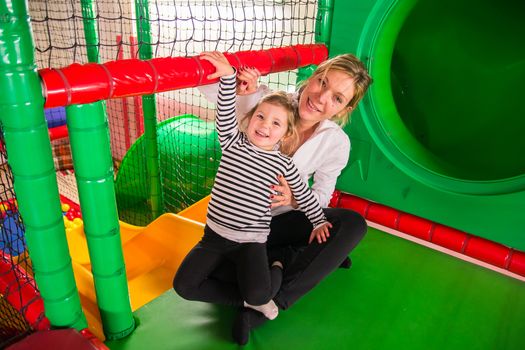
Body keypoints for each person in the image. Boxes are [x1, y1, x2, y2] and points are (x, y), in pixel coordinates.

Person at [198, 53, 373, 345]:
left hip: (284, 224)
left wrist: (294, 199)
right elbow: (209, 88)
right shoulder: (264, 101)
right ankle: (284, 260)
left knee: (351, 225)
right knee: (212, 272)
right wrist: (240, 91)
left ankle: (271, 303)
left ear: (346, 108)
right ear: (314, 74)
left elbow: (321, 198)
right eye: (323, 82)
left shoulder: (336, 143)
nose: (320, 98)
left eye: (337, 98)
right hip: (241, 226)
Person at [173, 51, 333, 322]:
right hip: (213, 238)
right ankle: (244, 300)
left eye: (276, 123)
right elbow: (224, 112)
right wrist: (227, 78)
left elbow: (304, 195)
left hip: (251, 243)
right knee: (184, 286)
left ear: (286, 133)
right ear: (249, 118)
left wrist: (318, 221)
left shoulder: (283, 164)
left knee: (261, 294)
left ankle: (277, 263)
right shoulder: (232, 143)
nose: (265, 126)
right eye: (260, 116)